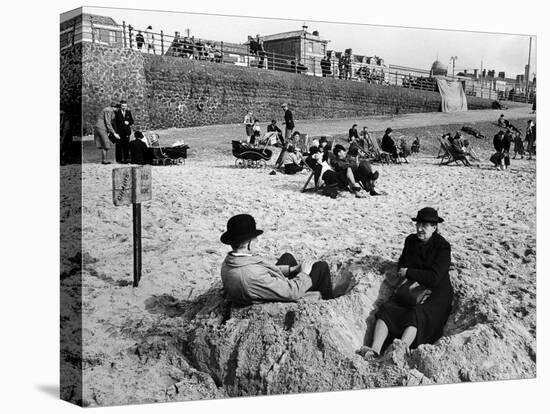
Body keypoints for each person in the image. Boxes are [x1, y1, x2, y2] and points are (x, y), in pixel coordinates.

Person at [359, 207, 453, 357]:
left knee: (417, 314)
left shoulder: (442, 247)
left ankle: (399, 350)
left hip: (436, 293)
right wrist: (410, 272)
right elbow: (403, 262)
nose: (420, 229)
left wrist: (410, 272)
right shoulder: (410, 241)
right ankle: (375, 349)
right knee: (387, 309)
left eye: (425, 225)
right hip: (413, 288)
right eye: (418, 224)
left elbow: (435, 278)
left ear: (434, 228)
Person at [220, 214, 337, 305]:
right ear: (249, 242)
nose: (257, 240)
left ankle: (300, 277)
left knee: (287, 257)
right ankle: (329, 302)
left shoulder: (229, 262)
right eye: (255, 238)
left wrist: (291, 270)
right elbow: (291, 292)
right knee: (321, 267)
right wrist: (303, 274)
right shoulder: (250, 275)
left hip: (257, 289)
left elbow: (259, 270)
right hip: (274, 299)